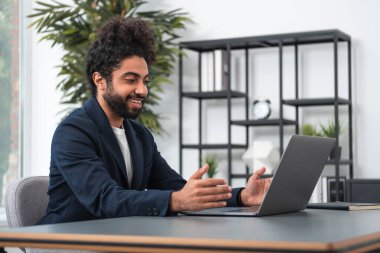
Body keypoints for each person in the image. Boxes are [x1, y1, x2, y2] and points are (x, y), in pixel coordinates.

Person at [37, 18, 271, 225]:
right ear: (100, 80)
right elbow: (104, 199)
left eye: (145, 80)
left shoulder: (139, 136)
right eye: (131, 80)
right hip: (71, 241)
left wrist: (241, 196)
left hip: (121, 237)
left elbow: (177, 188)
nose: (142, 90)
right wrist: (175, 201)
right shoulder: (73, 132)